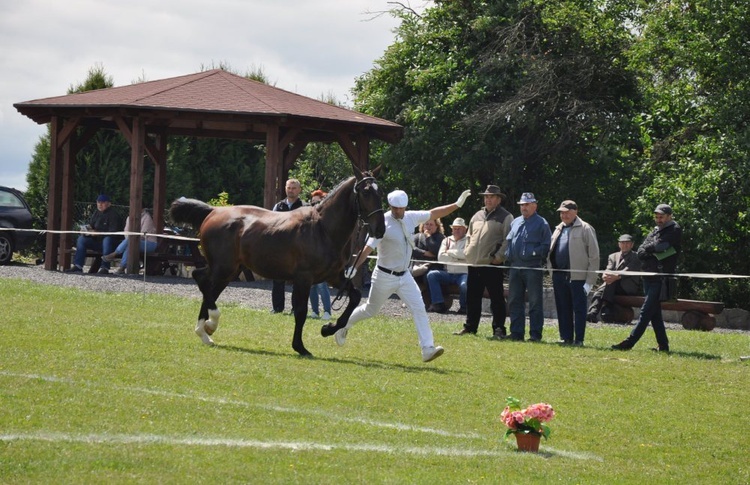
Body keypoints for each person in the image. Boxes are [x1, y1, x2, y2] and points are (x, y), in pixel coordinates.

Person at [333, 188, 472, 362]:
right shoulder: (382, 222)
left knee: (419, 308)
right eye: (395, 208)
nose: (399, 211)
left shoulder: (411, 216)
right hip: (384, 275)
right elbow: (368, 248)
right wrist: (354, 267)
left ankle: (427, 348)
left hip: (405, 275)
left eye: (402, 208)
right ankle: (344, 325)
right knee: (370, 309)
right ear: (390, 206)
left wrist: (457, 204)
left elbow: (435, 212)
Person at [612, 204, 682, 352]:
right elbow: (642, 250)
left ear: (669, 216)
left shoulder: (674, 229)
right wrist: (651, 250)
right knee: (654, 314)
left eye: (661, 217)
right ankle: (663, 346)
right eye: (656, 217)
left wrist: (650, 249)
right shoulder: (656, 230)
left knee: (645, 312)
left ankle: (629, 343)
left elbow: (661, 247)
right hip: (648, 276)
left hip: (661, 279)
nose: (658, 220)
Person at [454, 185, 513, 337]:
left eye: (491, 197)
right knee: (472, 297)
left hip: (492, 264)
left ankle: (499, 329)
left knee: (496, 298)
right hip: (474, 263)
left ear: (498, 199)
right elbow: (469, 236)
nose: (488, 199)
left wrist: (498, 258)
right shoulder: (477, 215)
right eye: (486, 197)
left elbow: (508, 240)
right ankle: (470, 327)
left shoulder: (506, 217)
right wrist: (468, 252)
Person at [548, 200, 600, 346]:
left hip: (578, 278)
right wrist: (552, 272)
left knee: (579, 309)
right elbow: (551, 252)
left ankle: (579, 339)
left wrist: (590, 281)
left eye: (567, 212)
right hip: (559, 275)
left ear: (575, 211)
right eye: (562, 213)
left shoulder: (586, 228)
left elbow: (594, 256)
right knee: (563, 307)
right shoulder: (558, 229)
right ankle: (566, 337)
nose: (564, 215)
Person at [505, 192, 552, 342]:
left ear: (534, 206)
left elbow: (546, 246)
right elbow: (509, 241)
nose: (523, 207)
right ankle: (516, 333)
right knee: (514, 300)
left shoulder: (542, 223)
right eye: (522, 205)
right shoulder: (516, 222)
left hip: (532, 267)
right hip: (515, 267)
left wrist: (532, 253)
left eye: (527, 204)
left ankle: (535, 335)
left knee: (535, 302)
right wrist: (508, 254)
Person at [587, 234, 641, 323]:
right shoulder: (612, 256)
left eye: (627, 243)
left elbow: (627, 271)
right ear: (619, 244)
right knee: (604, 288)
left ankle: (601, 310)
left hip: (627, 287)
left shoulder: (636, 256)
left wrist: (615, 277)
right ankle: (592, 314)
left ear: (632, 244)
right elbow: (609, 268)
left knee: (607, 285)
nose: (625, 245)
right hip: (612, 284)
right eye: (622, 243)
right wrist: (605, 275)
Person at [271, 178, 305, 313]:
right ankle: (277, 309)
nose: (291, 190)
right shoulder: (278, 207)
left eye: (294, 188)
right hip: (281, 249)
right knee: (278, 279)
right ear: (285, 189)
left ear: (299, 190)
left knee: (298, 281)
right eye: (289, 188)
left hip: (299, 251)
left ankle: (295, 309)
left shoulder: (305, 207)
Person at [66, 194, 124, 274]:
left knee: (107, 240)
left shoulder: (114, 215)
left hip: (112, 245)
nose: (100, 204)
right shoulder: (96, 213)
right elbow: (91, 225)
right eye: (98, 202)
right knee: (81, 239)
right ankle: (78, 266)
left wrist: (98, 233)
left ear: (109, 204)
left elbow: (113, 233)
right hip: (97, 242)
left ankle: (105, 268)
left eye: (103, 202)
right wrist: (85, 230)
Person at [426, 217, 469, 314]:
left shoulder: (469, 240)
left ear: (465, 229)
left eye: (459, 228)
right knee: (432, 275)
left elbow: (467, 255)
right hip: (448, 273)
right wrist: (459, 257)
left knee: (464, 285)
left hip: (463, 273)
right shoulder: (447, 240)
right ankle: (438, 303)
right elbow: (441, 258)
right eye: (455, 228)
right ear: (452, 229)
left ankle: (464, 307)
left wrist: (449, 252)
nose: (456, 230)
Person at [102, 207, 157, 275]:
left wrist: (131, 238)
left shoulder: (147, 218)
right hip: (132, 242)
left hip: (149, 243)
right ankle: (121, 267)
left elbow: (143, 235)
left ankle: (115, 254)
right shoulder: (129, 218)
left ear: (142, 208)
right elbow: (126, 231)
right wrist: (130, 238)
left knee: (131, 242)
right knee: (130, 244)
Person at [309, 189, 332, 320]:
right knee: (311, 285)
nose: (314, 205)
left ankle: (327, 311)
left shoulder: (326, 219)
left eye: (317, 202)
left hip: (321, 256)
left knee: (322, 285)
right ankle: (314, 311)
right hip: (310, 254)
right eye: (313, 202)